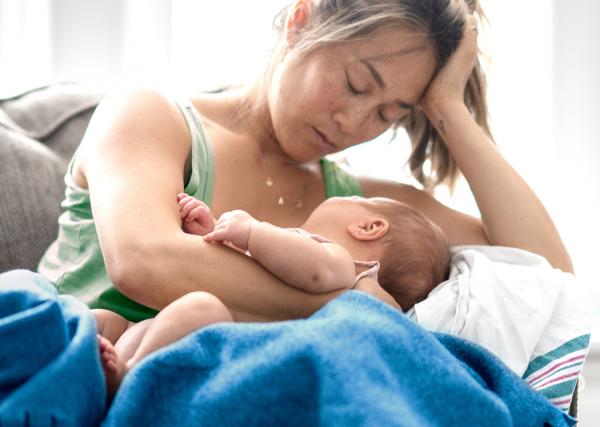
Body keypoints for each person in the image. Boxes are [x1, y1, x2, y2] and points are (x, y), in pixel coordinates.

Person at [38, 0, 573, 327]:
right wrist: (358, 305)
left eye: (390, 112)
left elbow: (547, 279)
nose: (355, 122)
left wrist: (448, 109)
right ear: (300, 21)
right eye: (356, 83)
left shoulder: (360, 209)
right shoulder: (151, 116)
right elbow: (144, 262)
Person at [94, 192, 449, 396]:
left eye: (359, 198)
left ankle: (129, 376)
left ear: (369, 227)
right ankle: (87, 348)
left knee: (203, 307)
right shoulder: (289, 246)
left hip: (194, 340)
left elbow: (315, 270)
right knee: (104, 321)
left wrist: (251, 232)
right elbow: (242, 273)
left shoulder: (342, 264)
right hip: (153, 330)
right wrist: (210, 231)